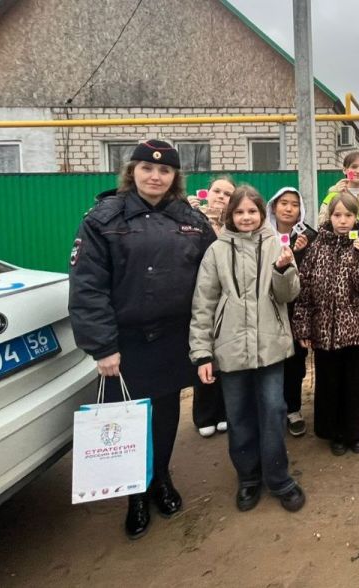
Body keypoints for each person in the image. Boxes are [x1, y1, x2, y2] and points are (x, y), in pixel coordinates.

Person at [68, 140, 216, 539]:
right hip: (126, 341)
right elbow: (88, 286)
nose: (155, 176)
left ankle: (161, 478)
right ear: (132, 171)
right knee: (131, 417)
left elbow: (212, 276)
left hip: (173, 337)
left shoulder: (191, 220)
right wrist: (103, 346)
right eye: (147, 169)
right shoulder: (103, 218)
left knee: (166, 411)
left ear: (175, 177)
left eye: (164, 170)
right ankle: (135, 493)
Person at [189, 186, 307, 513]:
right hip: (230, 348)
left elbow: (288, 295)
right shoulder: (216, 251)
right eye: (239, 212)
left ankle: (279, 478)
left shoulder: (277, 245)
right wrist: (202, 353)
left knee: (273, 412)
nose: (246, 217)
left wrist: (283, 269)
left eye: (252, 211)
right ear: (230, 215)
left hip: (270, 347)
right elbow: (203, 304)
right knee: (239, 416)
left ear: (261, 213)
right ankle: (248, 478)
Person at [293, 193, 359, 454]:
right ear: (329, 217)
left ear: (356, 218)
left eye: (348, 215)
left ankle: (356, 432)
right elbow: (304, 289)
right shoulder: (316, 246)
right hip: (324, 332)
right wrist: (303, 327)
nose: (343, 221)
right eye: (337, 215)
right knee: (330, 383)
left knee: (355, 384)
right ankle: (335, 433)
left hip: (357, 331)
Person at [318, 151, 359, 396]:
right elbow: (322, 226)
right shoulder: (331, 197)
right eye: (353, 166)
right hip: (337, 269)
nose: (357, 171)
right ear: (344, 169)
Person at [266, 187, 319, 437]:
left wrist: (301, 252)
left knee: (295, 361)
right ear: (274, 207)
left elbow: (312, 273)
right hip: (268, 308)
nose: (288, 209)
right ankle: (271, 410)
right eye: (284, 203)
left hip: (297, 310)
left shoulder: (308, 235)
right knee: (271, 361)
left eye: (294, 205)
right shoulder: (262, 235)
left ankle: (293, 410)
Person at [188, 175, 235, 438]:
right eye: (217, 191)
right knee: (204, 352)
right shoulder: (193, 221)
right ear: (207, 193)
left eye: (228, 194)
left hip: (228, 298)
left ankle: (224, 411)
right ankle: (204, 413)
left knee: (225, 356)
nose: (221, 197)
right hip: (201, 294)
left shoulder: (235, 224)